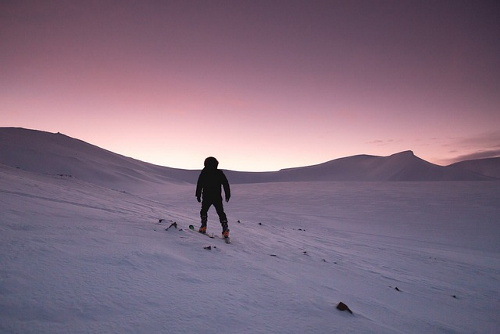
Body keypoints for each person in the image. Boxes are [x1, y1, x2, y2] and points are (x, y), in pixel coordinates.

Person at [195, 156, 231, 239]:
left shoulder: (204, 172)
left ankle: (203, 226)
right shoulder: (219, 173)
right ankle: (225, 229)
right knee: (221, 213)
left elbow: (199, 184)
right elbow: (225, 184)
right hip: (216, 197)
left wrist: (198, 194)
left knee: (204, 211)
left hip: (207, 196)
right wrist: (227, 194)